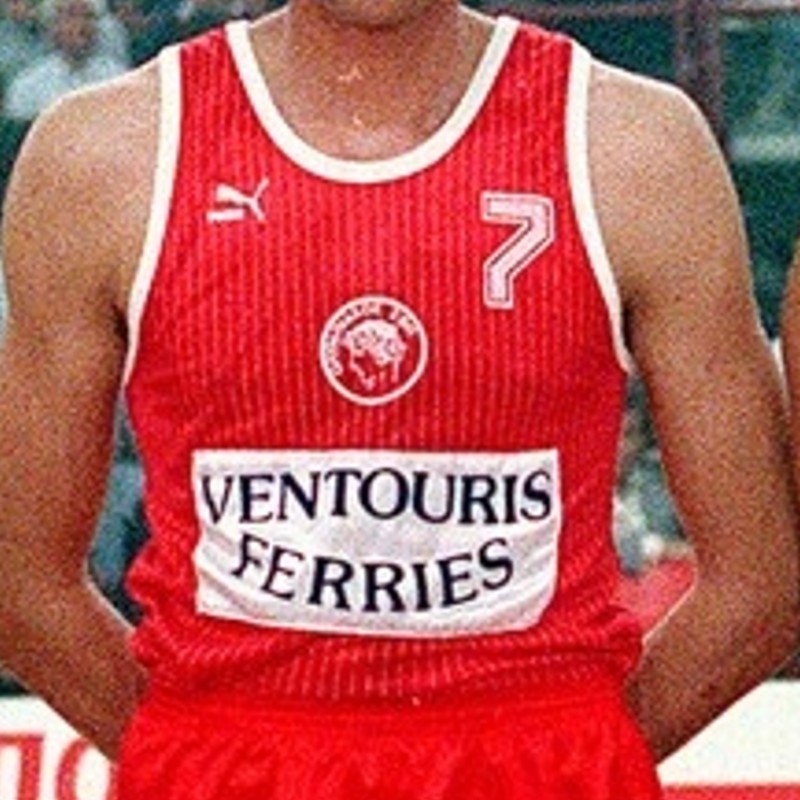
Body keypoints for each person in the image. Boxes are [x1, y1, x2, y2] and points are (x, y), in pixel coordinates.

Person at [0, 1, 797, 798]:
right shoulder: (106, 156)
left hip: (539, 757)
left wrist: (572, 754)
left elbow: (762, 585)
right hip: (227, 758)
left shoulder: (636, 150)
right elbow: (20, 583)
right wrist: (196, 752)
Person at [3, 0, 128, 122]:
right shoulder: (28, 87)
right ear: (53, 26)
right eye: (70, 16)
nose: (81, 25)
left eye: (88, 17)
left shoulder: (117, 78)